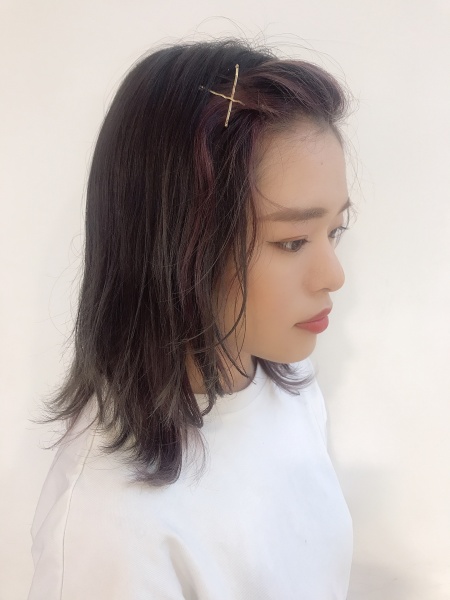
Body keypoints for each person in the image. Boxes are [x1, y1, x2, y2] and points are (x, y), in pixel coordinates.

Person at [28, 37, 355, 599]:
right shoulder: (110, 533)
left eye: (336, 231)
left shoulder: (291, 382)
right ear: (179, 245)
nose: (334, 276)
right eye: (293, 241)